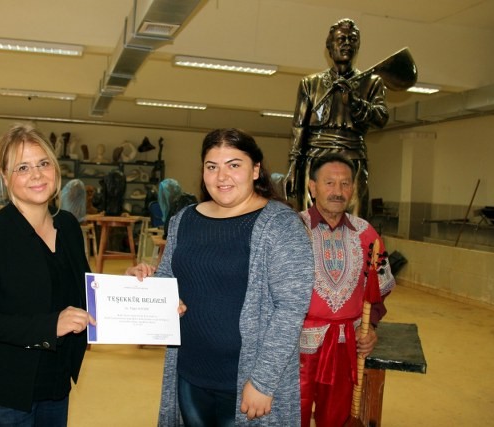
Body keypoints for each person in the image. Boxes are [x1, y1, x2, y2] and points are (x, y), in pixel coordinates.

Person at [156, 128, 314, 426]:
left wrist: (263, 382)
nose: (221, 177)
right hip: (189, 371)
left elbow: (291, 309)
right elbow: (167, 277)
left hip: (246, 382)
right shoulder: (184, 219)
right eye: (212, 166)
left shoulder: (280, 225)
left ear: (255, 170)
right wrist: (144, 285)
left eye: (234, 165)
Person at [0, 123, 96, 426]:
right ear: (5, 177)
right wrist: (50, 325)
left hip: (55, 383)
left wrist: (135, 290)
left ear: (55, 168)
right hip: (1, 389)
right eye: (22, 167)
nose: (36, 174)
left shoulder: (68, 226)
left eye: (43, 163)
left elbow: (84, 291)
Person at [298, 153, 396, 427]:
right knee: (291, 416)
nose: (338, 191)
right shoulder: (291, 229)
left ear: (353, 189)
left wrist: (371, 326)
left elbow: (379, 291)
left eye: (345, 184)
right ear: (313, 187)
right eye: (329, 183)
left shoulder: (367, 234)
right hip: (295, 347)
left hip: (345, 345)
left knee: (337, 419)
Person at [284, 18, 389, 219]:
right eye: (341, 39)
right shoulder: (310, 83)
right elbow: (299, 127)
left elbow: (381, 118)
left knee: (356, 223)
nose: (347, 43)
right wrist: (293, 167)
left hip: (353, 158)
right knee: (310, 223)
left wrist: (355, 101)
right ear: (329, 47)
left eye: (352, 39)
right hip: (315, 158)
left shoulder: (371, 82)